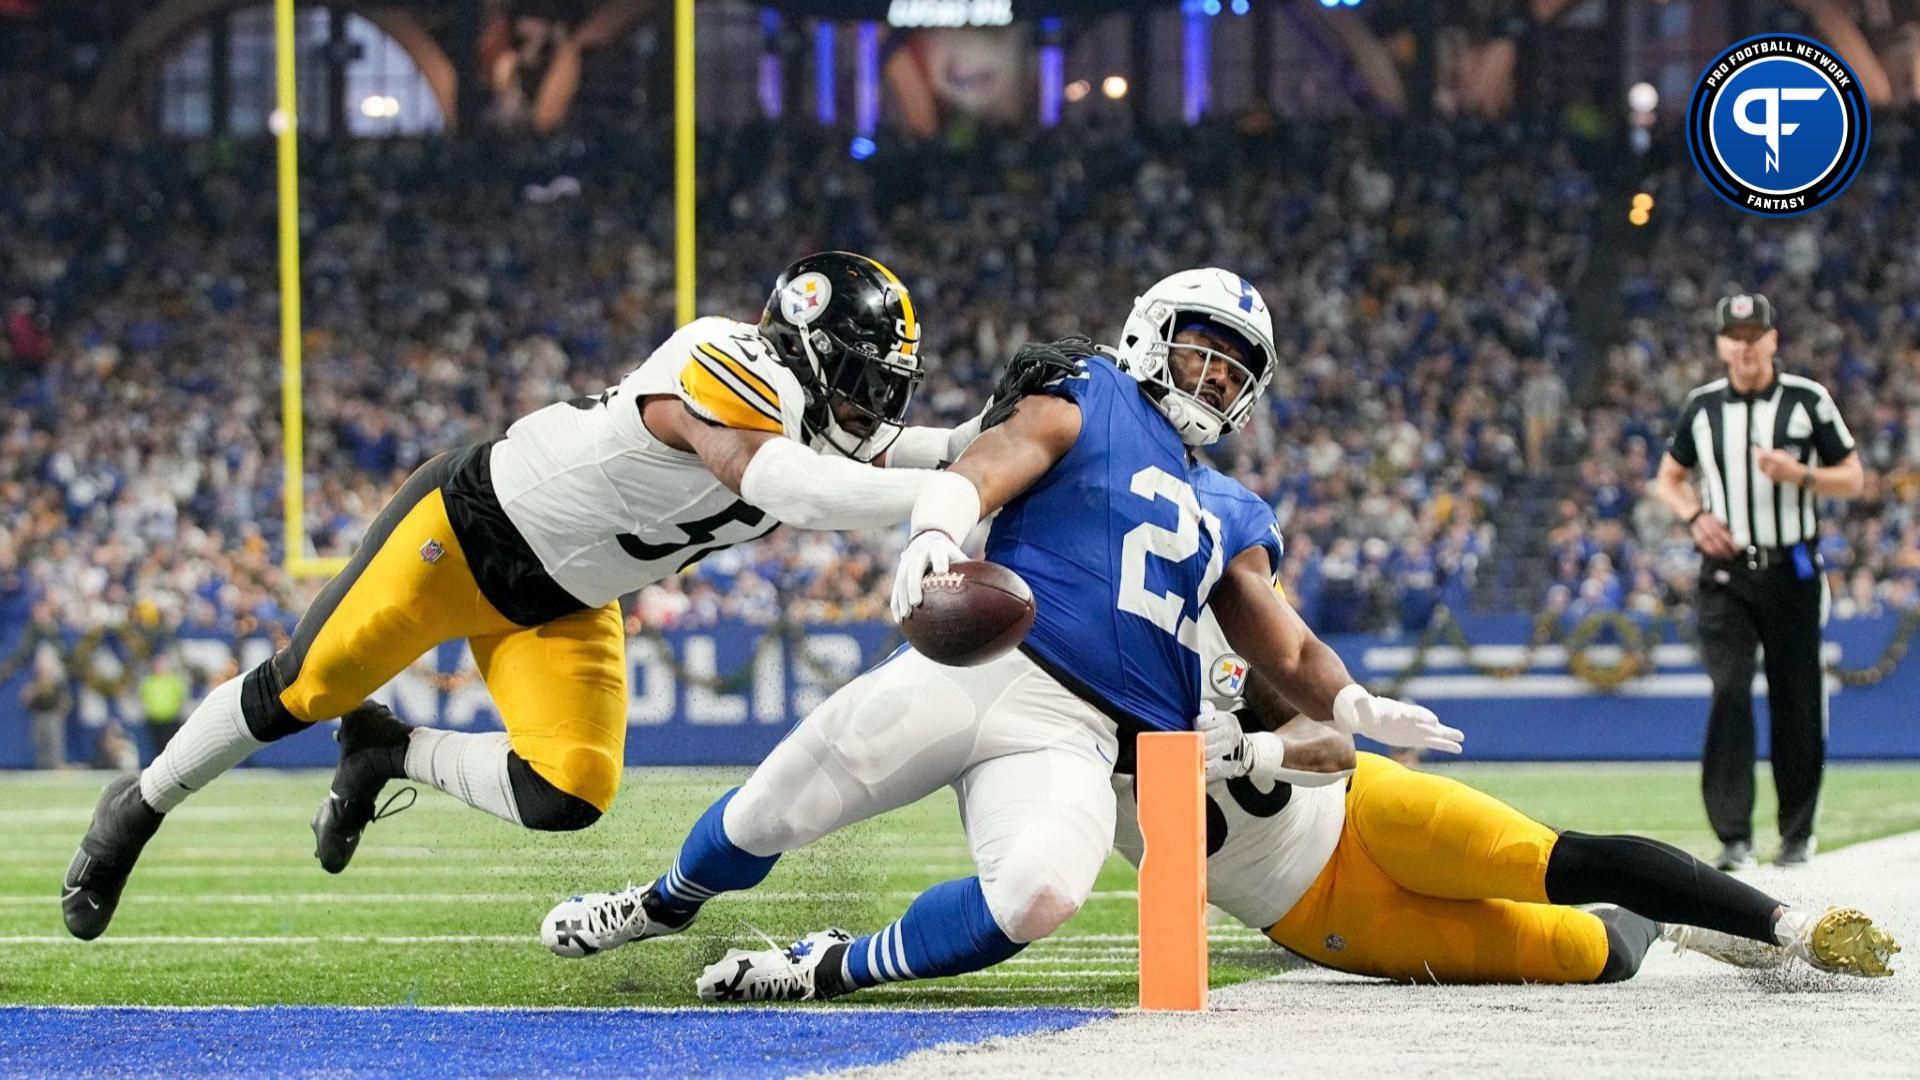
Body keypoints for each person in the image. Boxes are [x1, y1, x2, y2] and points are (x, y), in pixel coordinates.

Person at [539, 268, 1462, 1000]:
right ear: (1150, 336)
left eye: (1234, 367)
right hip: (982, 666)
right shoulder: (1091, 390)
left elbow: (1289, 650)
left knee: (1040, 895)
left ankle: (825, 967)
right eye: (1203, 351)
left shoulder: (1234, 509)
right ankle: (661, 904)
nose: (1215, 375)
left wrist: (1356, 702)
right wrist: (938, 530)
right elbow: (985, 466)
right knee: (766, 816)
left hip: (1083, 736)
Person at [60, 252, 977, 941]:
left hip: (569, 601)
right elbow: (784, 484)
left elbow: (925, 451)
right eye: (859, 377)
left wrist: (1002, 431)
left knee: (568, 791)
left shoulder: (817, 421)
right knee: (300, 692)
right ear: (803, 344)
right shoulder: (724, 357)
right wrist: (943, 497)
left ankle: (387, 752)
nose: (873, 405)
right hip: (464, 537)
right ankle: (134, 809)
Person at [1105, 611, 1900, 985]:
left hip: (1358, 811)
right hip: (1315, 913)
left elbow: (1336, 748)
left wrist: (1250, 748)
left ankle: (1786, 924)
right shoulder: (1040, 718)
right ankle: (1655, 921)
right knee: (1580, 954)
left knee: (1548, 859)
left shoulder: (1211, 625)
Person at [1653, 294, 1864, 871]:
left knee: (1796, 700)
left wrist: (1800, 473)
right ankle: (1733, 838)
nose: (1745, 347)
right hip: (1725, 575)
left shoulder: (1805, 400)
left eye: (1755, 335)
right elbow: (1669, 478)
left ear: (1773, 340)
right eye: (1735, 336)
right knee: (1729, 691)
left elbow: (1853, 477)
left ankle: (1796, 834)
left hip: (1792, 568)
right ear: (1722, 344)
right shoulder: (1701, 408)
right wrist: (1696, 517)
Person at [137, 653, 191, 761]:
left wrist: (176, 710)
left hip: (171, 719)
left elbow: (181, 697)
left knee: (171, 745)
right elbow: (143, 697)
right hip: (154, 719)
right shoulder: (149, 681)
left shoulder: (173, 681)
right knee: (157, 745)